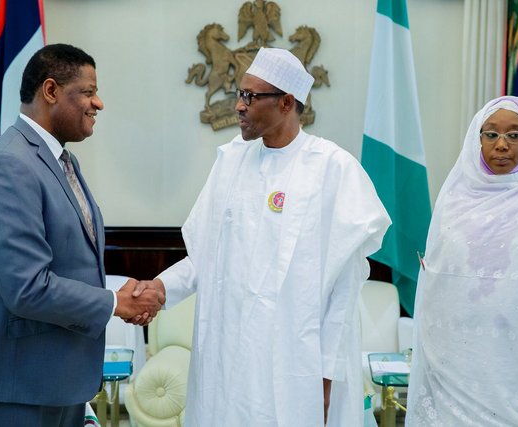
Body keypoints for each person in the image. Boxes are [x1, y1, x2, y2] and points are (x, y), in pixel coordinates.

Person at [136, 48, 391, 426]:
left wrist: (327, 374)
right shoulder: (231, 162)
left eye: (251, 97)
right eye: (239, 94)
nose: (239, 106)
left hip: (295, 362)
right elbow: (206, 257)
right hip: (229, 358)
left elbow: (345, 285)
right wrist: (160, 288)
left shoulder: (333, 169)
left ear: (287, 102)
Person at [0, 44, 164, 427]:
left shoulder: (61, 160)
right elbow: (27, 287)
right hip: (13, 388)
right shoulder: (8, 165)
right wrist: (114, 302)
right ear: (50, 91)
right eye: (87, 91)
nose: (98, 103)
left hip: (58, 381)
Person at [406, 96, 518, 426]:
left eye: (515, 134)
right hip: (453, 369)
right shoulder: (453, 200)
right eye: (491, 134)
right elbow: (436, 284)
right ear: (477, 138)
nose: (501, 145)